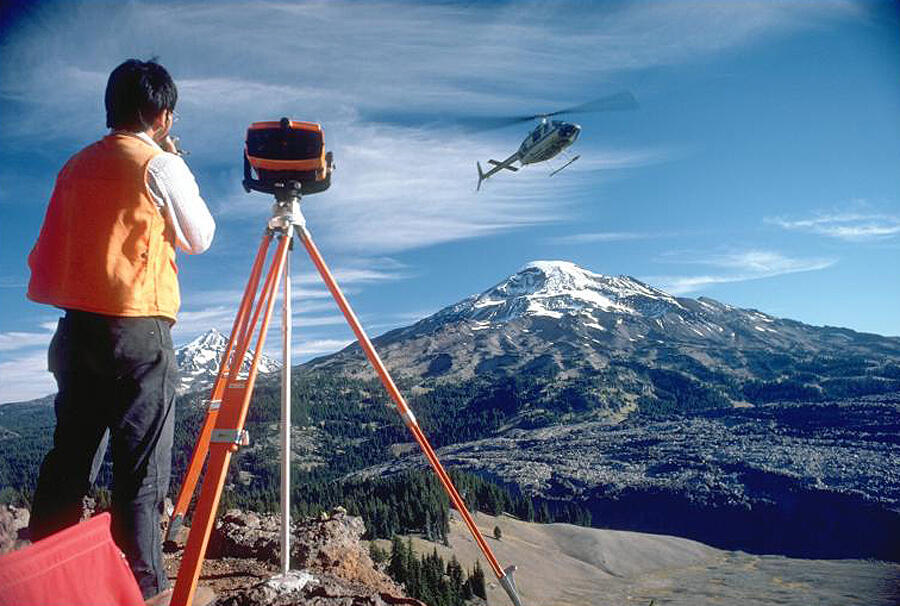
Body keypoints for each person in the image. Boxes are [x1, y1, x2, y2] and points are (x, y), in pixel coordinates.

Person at [26, 58, 215, 603]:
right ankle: (144, 591)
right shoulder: (159, 164)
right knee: (140, 473)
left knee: (69, 461)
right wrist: (174, 162)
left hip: (74, 330)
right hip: (138, 332)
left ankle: (44, 585)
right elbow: (199, 236)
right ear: (162, 116)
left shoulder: (75, 165)